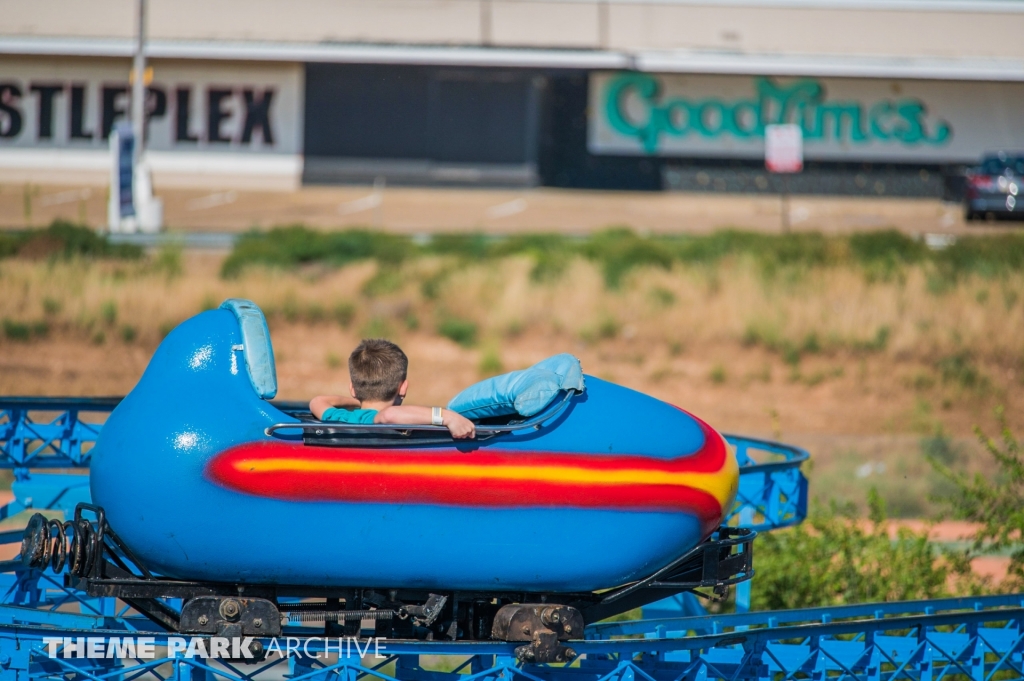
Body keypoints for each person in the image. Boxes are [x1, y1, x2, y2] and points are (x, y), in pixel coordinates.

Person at [309, 338, 476, 439]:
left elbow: (317, 401)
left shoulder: (340, 417)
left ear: (352, 389)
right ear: (403, 388)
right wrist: (447, 416)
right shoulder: (380, 419)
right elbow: (389, 415)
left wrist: (359, 400)